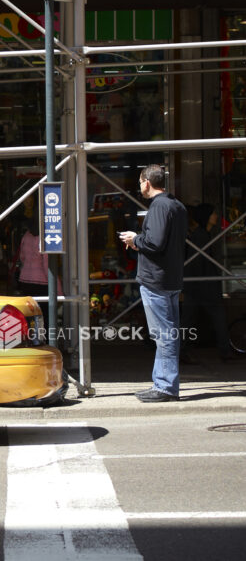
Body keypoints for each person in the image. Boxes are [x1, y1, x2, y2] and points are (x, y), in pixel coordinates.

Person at [118, 164, 189, 402]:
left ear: (147, 182)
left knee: (164, 335)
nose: (139, 187)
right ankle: (163, 382)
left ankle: (166, 386)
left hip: (156, 280)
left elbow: (155, 242)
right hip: (170, 277)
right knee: (167, 334)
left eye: (140, 182)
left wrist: (134, 239)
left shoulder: (159, 206)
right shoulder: (176, 205)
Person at [182, 203, 238, 362]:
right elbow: (199, 264)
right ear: (206, 217)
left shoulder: (202, 234)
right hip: (203, 286)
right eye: (213, 214)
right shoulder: (201, 236)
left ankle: (182, 351)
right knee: (217, 318)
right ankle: (224, 352)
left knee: (188, 320)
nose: (215, 216)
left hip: (197, 286)